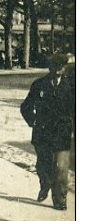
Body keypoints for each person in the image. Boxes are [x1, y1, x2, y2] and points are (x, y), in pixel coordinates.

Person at [20, 52, 75, 210]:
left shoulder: (71, 86)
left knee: (61, 168)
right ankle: (45, 184)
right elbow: (26, 107)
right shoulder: (39, 85)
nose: (58, 70)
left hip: (62, 132)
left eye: (61, 67)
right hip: (42, 132)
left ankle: (60, 200)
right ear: (50, 67)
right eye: (55, 67)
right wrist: (33, 120)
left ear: (64, 68)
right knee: (43, 165)